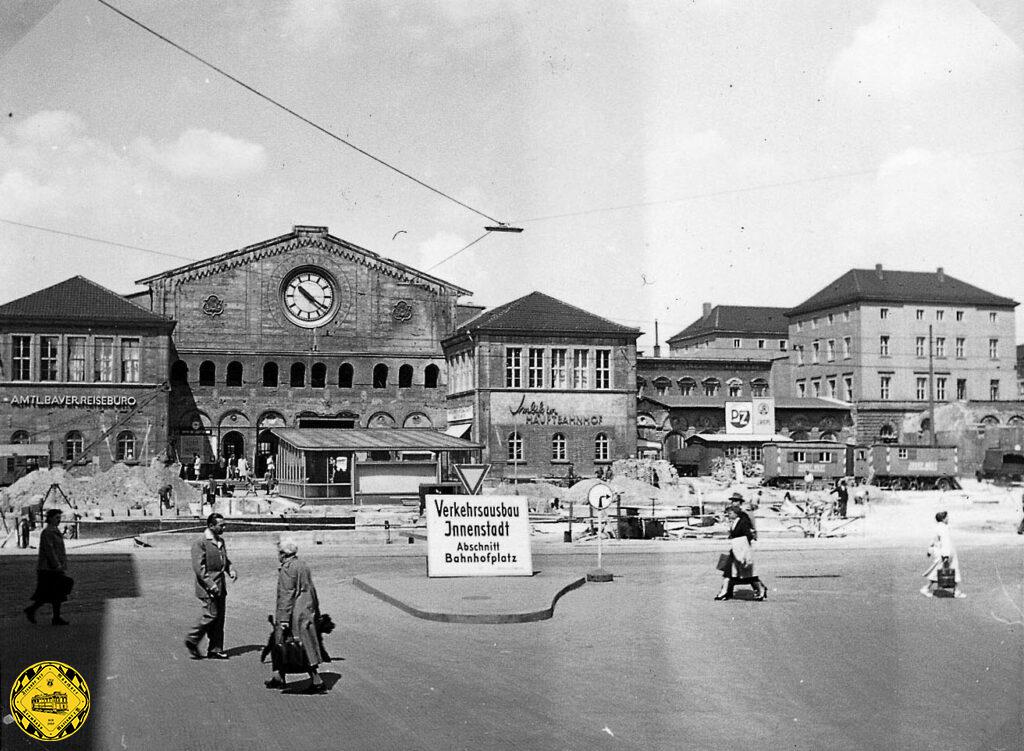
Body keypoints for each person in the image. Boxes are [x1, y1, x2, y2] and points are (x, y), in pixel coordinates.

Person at [266, 537, 326, 693]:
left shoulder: (288, 568)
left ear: (283, 554)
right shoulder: (302, 565)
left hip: (294, 613)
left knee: (297, 648)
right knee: (286, 645)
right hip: (306, 609)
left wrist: (284, 619)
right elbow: (311, 589)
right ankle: (279, 676)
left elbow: (287, 594)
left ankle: (316, 680)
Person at [185, 513, 236, 659]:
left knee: (219, 618)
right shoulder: (200, 542)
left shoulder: (220, 541)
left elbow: (224, 560)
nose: (224, 528)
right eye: (221, 525)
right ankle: (192, 639)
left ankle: (215, 649)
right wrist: (210, 584)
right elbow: (199, 568)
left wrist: (230, 569)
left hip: (220, 586)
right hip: (208, 587)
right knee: (211, 615)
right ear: (211, 526)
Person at [714, 494, 768, 601]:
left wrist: (744, 549)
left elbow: (748, 532)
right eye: (733, 501)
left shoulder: (744, 515)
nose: (734, 503)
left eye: (736, 501)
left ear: (740, 503)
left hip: (741, 547)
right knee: (732, 570)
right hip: (736, 547)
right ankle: (726, 592)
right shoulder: (733, 516)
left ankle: (727, 592)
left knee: (742, 571)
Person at [24, 509, 73, 625]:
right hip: (48, 568)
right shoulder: (47, 532)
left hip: (54, 567)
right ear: (50, 518)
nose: (59, 520)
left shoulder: (54, 531)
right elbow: (50, 550)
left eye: (59, 517)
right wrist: (57, 565)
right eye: (56, 517)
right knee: (49, 593)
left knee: (56, 594)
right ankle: (32, 610)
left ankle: (54, 617)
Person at [921, 510, 965, 598]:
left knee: (944, 570)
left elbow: (933, 540)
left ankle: (956, 591)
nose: (948, 518)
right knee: (947, 570)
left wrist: (929, 551)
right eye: (947, 517)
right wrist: (945, 556)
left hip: (943, 552)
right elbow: (945, 542)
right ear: (943, 519)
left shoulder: (938, 527)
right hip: (945, 553)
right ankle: (926, 588)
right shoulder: (943, 528)